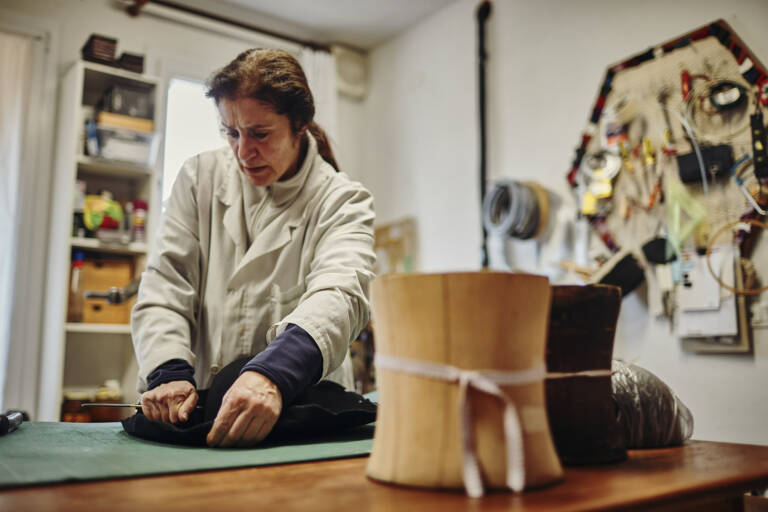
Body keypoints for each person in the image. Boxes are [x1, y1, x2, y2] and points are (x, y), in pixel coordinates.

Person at [131, 48, 375, 448]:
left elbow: (340, 295)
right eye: (231, 132)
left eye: (260, 133)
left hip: (302, 415)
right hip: (204, 412)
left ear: (299, 127)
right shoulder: (199, 179)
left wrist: (274, 374)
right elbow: (164, 286)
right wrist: (168, 372)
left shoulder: (341, 199)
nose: (243, 152)